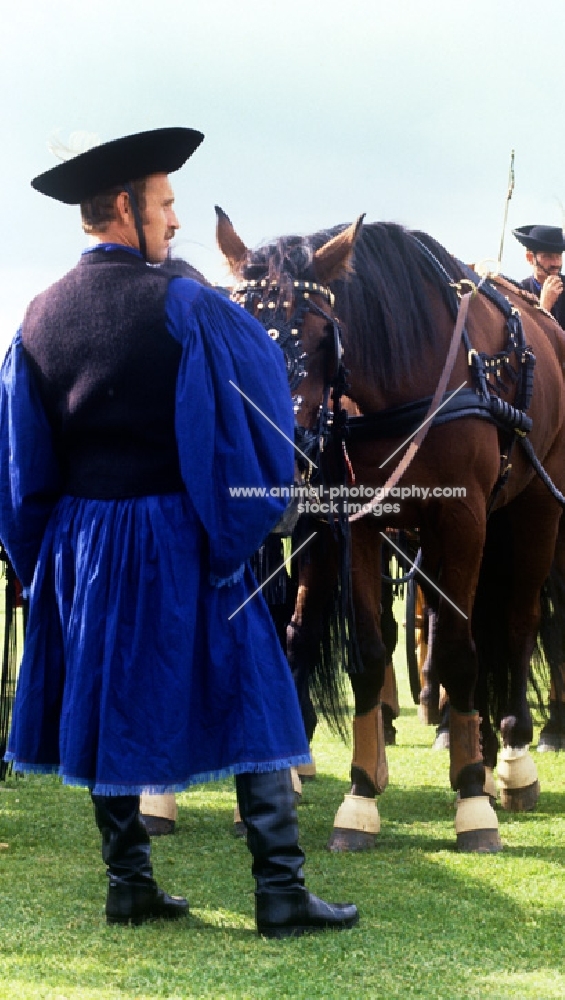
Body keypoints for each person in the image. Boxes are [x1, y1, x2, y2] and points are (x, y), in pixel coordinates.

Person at [0, 127, 358, 938]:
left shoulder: (36, 317)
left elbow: (23, 464)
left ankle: (129, 882)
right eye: (164, 203)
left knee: (105, 693)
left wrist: (43, 561)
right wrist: (237, 527)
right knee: (254, 690)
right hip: (178, 534)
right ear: (123, 206)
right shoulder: (188, 303)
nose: (173, 218)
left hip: (83, 544)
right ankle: (278, 893)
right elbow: (252, 426)